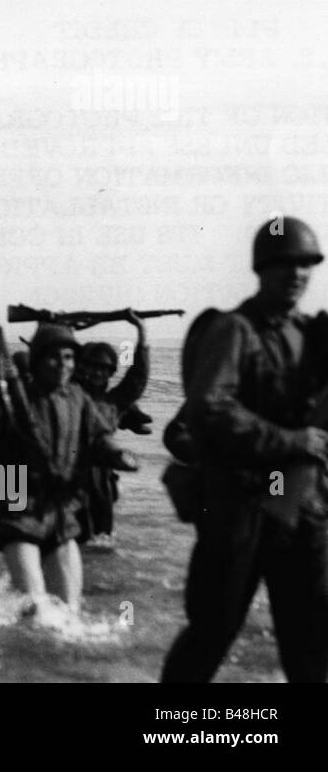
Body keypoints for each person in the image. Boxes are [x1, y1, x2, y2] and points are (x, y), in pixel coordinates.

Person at [161, 216, 328, 682]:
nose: (296, 274)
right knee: (213, 629)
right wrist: (292, 441)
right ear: (261, 268)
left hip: (300, 505)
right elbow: (209, 409)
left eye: (304, 265)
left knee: (311, 639)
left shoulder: (309, 335)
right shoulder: (234, 330)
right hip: (240, 505)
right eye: (284, 264)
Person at [0, 324, 138, 612]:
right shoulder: (15, 398)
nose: (62, 364)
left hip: (60, 514)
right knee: (35, 607)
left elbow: (98, 437)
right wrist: (1, 412)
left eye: (69, 357)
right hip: (19, 512)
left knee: (69, 611)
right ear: (37, 360)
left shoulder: (78, 398)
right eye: (53, 357)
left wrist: (117, 454)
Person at [72, 312, 150, 545]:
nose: (96, 373)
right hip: (67, 477)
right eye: (91, 366)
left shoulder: (113, 402)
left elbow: (136, 378)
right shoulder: (67, 395)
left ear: (110, 372)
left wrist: (141, 332)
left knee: (101, 541)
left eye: (103, 368)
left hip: (100, 482)